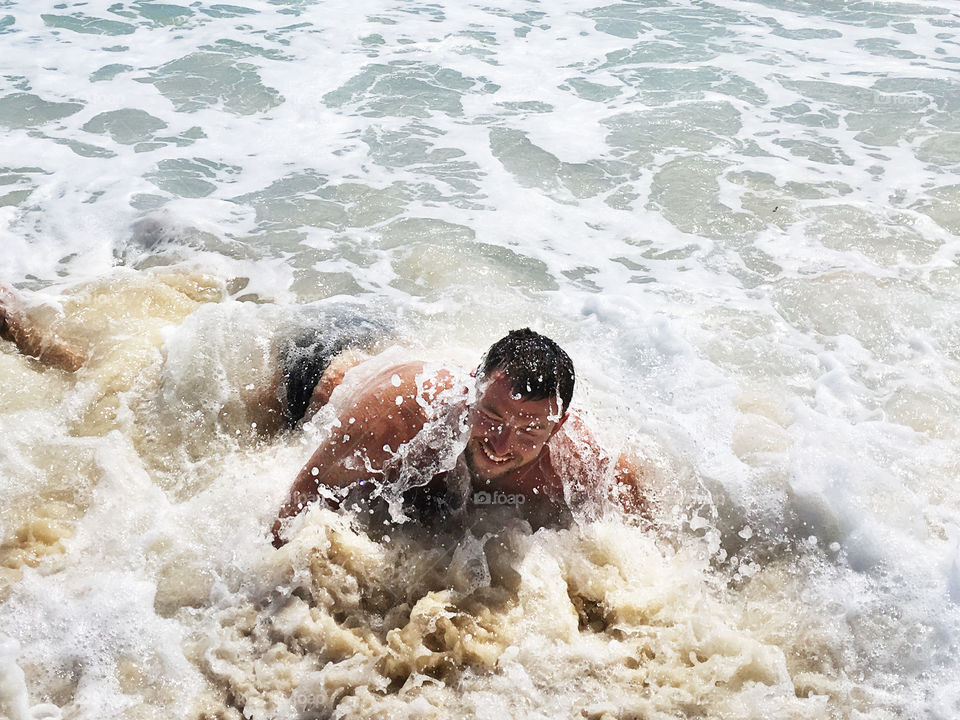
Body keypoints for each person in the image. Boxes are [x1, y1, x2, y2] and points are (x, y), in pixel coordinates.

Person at [271, 328, 643, 547]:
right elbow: (304, 495)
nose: (501, 446)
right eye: (492, 416)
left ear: (557, 428)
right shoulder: (401, 414)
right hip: (322, 368)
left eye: (529, 430)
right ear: (471, 391)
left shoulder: (585, 463)